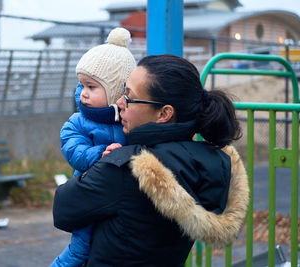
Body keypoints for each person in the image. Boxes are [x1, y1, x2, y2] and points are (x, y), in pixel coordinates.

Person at [53, 54, 250, 266]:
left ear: (163, 114)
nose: (119, 103)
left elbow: (63, 209)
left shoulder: (126, 168)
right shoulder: (209, 162)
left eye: (129, 97)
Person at [50, 27, 136, 267]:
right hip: (90, 191)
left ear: (116, 91)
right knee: (79, 250)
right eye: (82, 86)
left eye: (92, 87)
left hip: (122, 197)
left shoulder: (130, 118)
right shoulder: (78, 121)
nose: (83, 94)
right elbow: (73, 151)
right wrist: (99, 154)